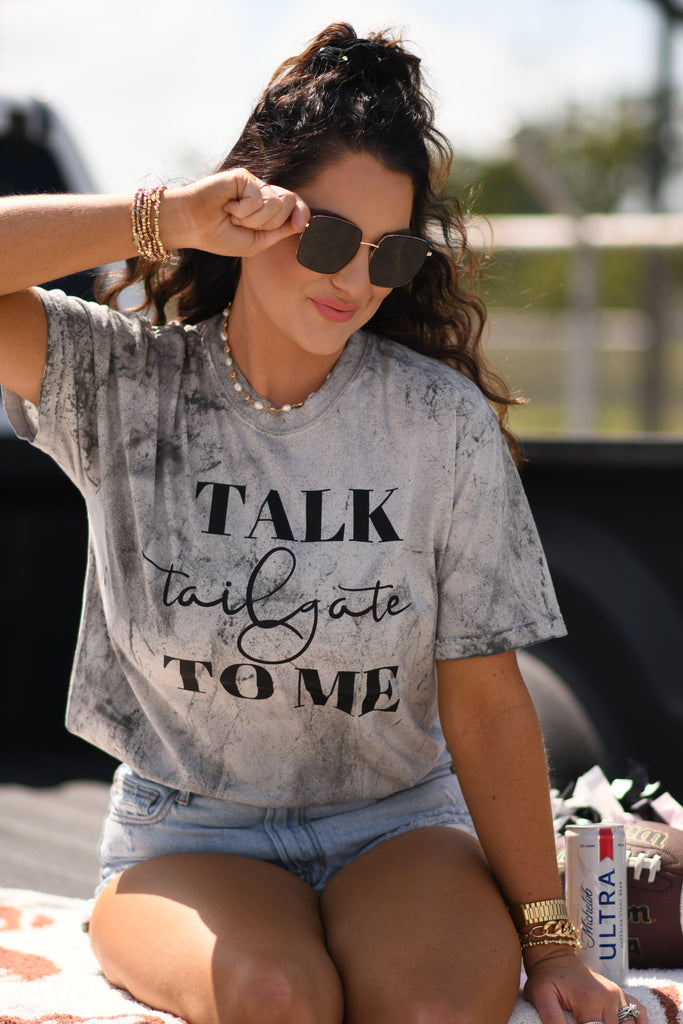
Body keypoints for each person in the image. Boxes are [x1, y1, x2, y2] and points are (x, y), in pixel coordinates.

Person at [0, 22, 645, 1024]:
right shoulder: (122, 383)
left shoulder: (437, 423)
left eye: (389, 253)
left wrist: (551, 944)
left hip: (398, 826)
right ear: (249, 217)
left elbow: (484, 705)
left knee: (433, 1009)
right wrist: (169, 215)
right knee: (275, 995)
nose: (354, 279)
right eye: (330, 237)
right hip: (187, 831)